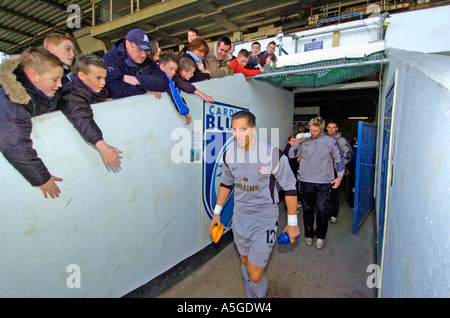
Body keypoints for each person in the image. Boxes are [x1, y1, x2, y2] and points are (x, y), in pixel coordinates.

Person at [209, 110, 299, 298]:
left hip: (265, 219)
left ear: (254, 129)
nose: (237, 134)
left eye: (243, 129)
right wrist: (217, 213)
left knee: (255, 274)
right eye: (234, 130)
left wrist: (292, 223)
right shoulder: (229, 155)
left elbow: (290, 188)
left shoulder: (273, 155)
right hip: (240, 218)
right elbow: (226, 184)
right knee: (245, 261)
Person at [0, 48, 65, 199]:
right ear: (33, 76)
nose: (60, 84)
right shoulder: (13, 97)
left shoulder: (37, 92)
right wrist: (41, 177)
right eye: (55, 79)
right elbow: (13, 143)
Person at [289, 117, 345, 249]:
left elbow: (339, 159)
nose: (312, 132)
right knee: (307, 209)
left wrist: (340, 177)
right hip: (306, 181)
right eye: (311, 129)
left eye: (315, 130)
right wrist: (297, 142)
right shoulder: (304, 141)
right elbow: (291, 155)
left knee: (321, 210)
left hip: (324, 182)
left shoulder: (331, 141)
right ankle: (309, 234)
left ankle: (320, 236)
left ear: (321, 129)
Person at [60, 54, 122, 168]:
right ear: (81, 75)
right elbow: (81, 117)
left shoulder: (100, 90)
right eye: (98, 78)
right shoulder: (71, 94)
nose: (103, 83)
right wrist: (101, 145)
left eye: (104, 78)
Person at [102, 28, 169, 99]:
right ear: (127, 44)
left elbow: (164, 82)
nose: (144, 55)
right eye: (140, 49)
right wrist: (145, 90)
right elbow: (115, 89)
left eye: (146, 50)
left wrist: (138, 80)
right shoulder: (111, 58)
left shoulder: (147, 62)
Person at [326, 119, 353, 223]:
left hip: (335, 170)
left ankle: (333, 214)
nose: (331, 130)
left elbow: (348, 155)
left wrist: (340, 166)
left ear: (337, 128)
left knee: (334, 193)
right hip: (323, 170)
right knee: (323, 192)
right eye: (329, 127)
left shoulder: (342, 141)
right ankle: (324, 212)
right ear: (326, 128)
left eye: (333, 127)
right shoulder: (322, 139)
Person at [158, 53, 192, 125]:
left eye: (175, 70)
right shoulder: (165, 79)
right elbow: (175, 95)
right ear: (161, 66)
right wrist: (185, 112)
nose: (173, 72)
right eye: (171, 69)